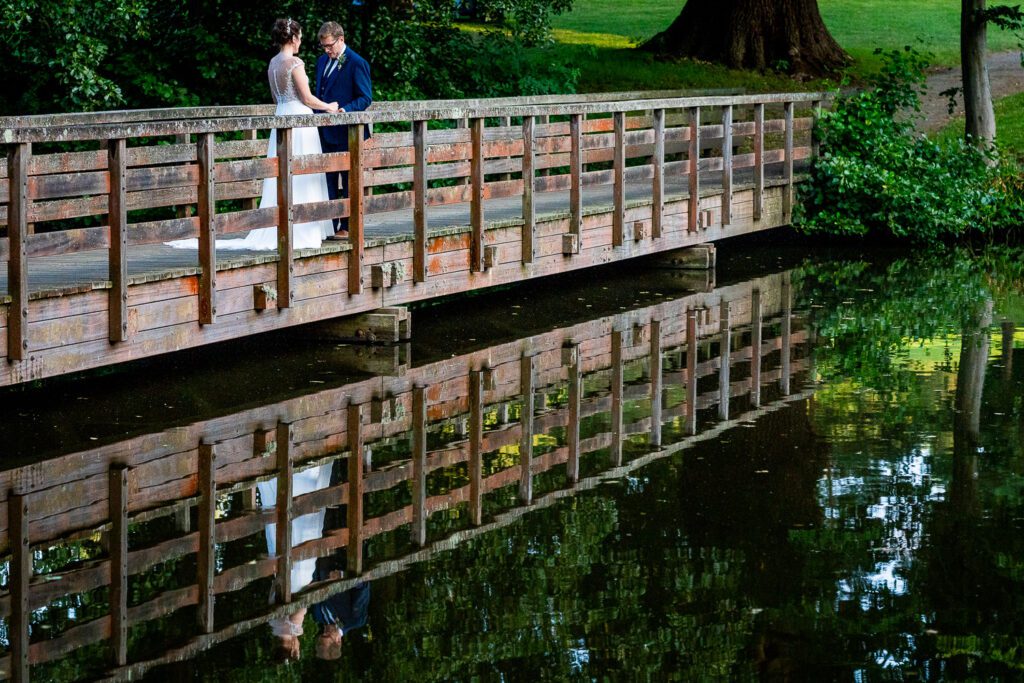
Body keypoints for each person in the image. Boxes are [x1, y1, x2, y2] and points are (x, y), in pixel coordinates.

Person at [167, 18, 338, 251]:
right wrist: (329, 106)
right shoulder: (295, 63)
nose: (300, 42)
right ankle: (304, 229)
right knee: (302, 172)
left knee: (285, 173)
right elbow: (307, 98)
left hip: (281, 115)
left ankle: (286, 224)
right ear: (294, 38)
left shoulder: (273, 63)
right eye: (299, 38)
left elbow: (276, 98)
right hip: (299, 119)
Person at [314, 22, 373, 239]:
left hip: (347, 131)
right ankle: (331, 225)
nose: (327, 50)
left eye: (329, 46)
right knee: (327, 179)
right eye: (323, 46)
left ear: (341, 39)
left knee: (348, 180)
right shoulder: (321, 62)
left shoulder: (357, 63)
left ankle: (347, 226)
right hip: (324, 130)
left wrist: (345, 110)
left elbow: (365, 97)